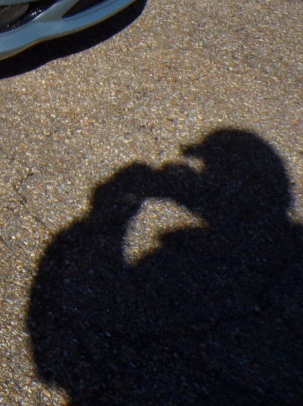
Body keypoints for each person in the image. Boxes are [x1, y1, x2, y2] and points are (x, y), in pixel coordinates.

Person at [28, 130, 303, 404]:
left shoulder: (187, 260)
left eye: (207, 172)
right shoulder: (285, 255)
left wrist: (110, 210)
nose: (197, 178)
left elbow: (89, 303)